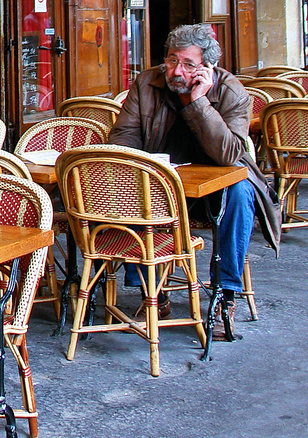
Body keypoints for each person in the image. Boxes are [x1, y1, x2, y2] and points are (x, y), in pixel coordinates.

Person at [108, 24, 282, 327]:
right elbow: (123, 137)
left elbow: (229, 155)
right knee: (131, 186)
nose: (177, 71)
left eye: (189, 64)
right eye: (173, 60)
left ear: (206, 68)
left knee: (241, 192)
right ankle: (152, 291)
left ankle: (225, 291)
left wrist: (198, 102)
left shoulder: (231, 92)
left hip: (216, 187)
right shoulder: (147, 82)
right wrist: (139, 167)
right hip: (163, 186)